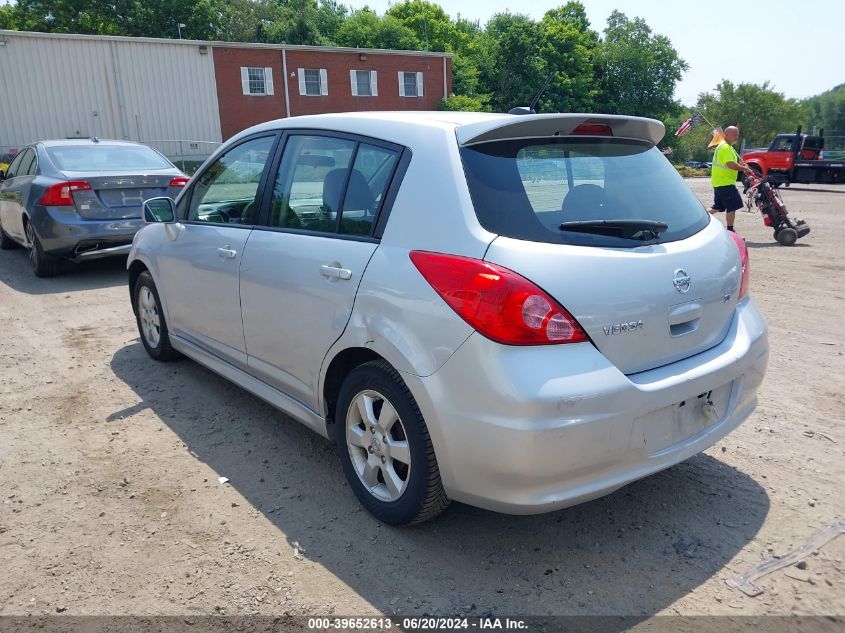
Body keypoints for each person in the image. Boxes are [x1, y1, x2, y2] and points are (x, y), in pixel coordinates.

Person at [709, 125, 753, 232]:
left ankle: (700, 218)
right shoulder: (725, 147)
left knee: (717, 206)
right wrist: (745, 169)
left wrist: (741, 165)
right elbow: (730, 165)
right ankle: (730, 230)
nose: (737, 137)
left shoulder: (725, 147)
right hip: (725, 183)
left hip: (720, 182)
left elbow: (730, 163)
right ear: (726, 134)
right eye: (734, 134)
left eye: (737, 134)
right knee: (732, 206)